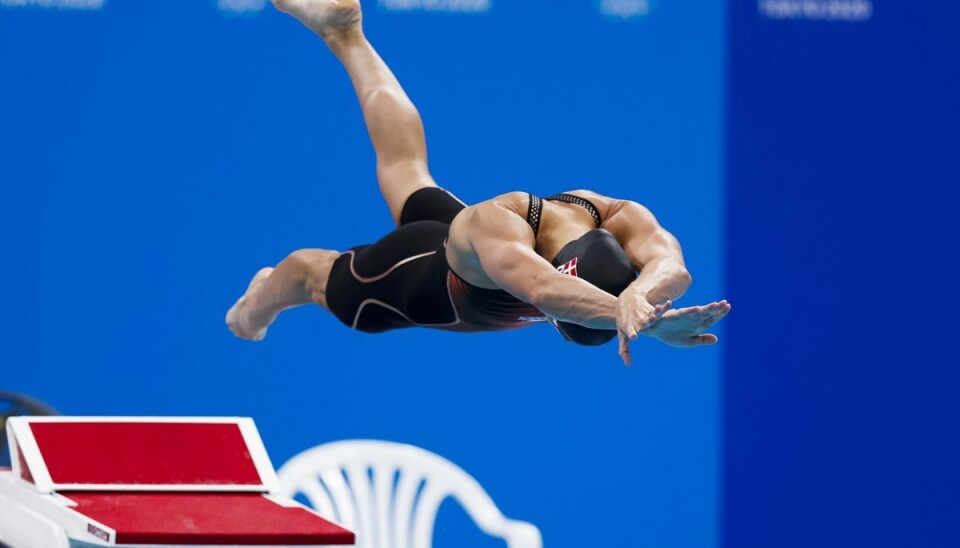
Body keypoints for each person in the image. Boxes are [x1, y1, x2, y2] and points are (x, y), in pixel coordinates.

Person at [226, 0, 730, 366]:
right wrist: (650, 322)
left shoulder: (616, 216)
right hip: (417, 279)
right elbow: (546, 290)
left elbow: (672, 268)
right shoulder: (501, 233)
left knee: (407, 171)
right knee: (312, 275)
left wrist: (643, 299)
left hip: (467, 251)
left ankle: (346, 34)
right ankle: (254, 308)